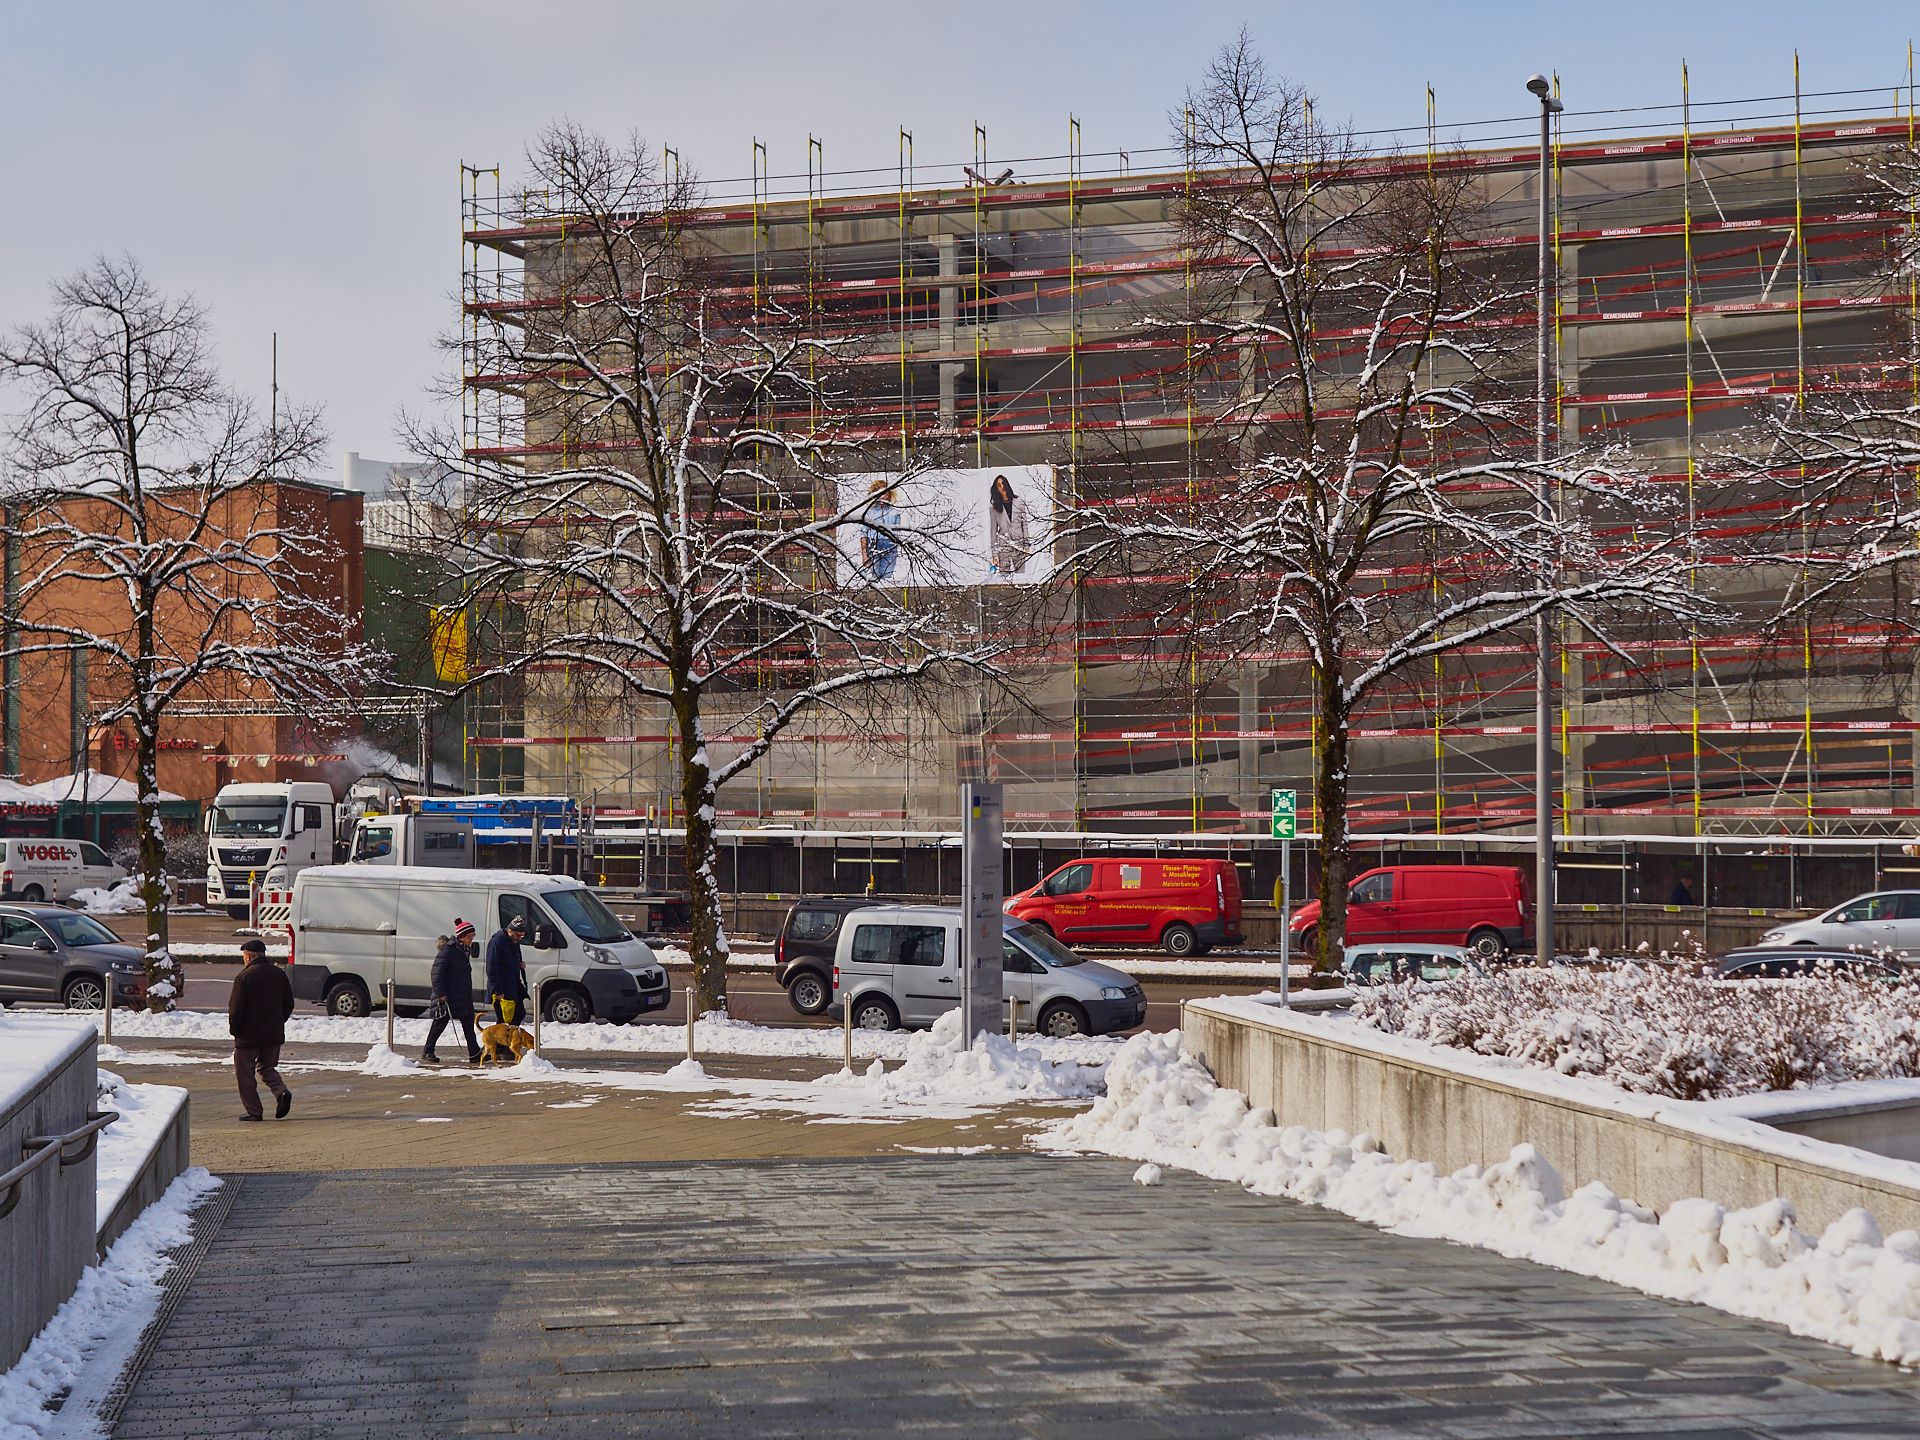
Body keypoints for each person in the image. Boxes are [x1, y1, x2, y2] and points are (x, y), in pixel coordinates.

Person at [228, 937, 294, 1121]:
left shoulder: (244, 977)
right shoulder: (279, 974)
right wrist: (279, 1021)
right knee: (267, 1067)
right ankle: (281, 1092)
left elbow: (236, 1008)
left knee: (245, 1073)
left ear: (248, 956)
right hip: (273, 1034)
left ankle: (254, 1111)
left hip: (248, 1037)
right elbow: (289, 1003)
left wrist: (235, 1030)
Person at [423, 918, 481, 1066]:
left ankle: (474, 1053)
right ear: (461, 936)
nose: (472, 939)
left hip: (462, 994)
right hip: (448, 996)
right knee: (440, 1023)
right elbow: (436, 974)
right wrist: (441, 993)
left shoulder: (463, 950)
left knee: (468, 1022)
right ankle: (428, 1050)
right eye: (470, 936)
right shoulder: (448, 950)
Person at [486, 913, 530, 1027]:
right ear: (510, 931)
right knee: (504, 1020)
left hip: (512, 985)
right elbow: (492, 968)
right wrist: (498, 990)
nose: (520, 938)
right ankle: (499, 1043)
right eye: (518, 935)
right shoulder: (497, 942)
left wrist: (518, 964)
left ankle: (505, 1042)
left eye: (522, 936)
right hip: (502, 988)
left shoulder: (513, 942)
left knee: (518, 1014)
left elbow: (509, 959)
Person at [988, 472, 1030, 577]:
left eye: (1003, 484)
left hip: (1019, 546)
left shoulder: (1019, 502)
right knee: (1004, 578)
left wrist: (1026, 546)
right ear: (996, 489)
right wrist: (995, 554)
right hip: (1004, 547)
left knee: (1021, 577)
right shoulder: (995, 508)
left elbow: (1024, 525)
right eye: (999, 485)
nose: (1002, 487)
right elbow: (994, 532)